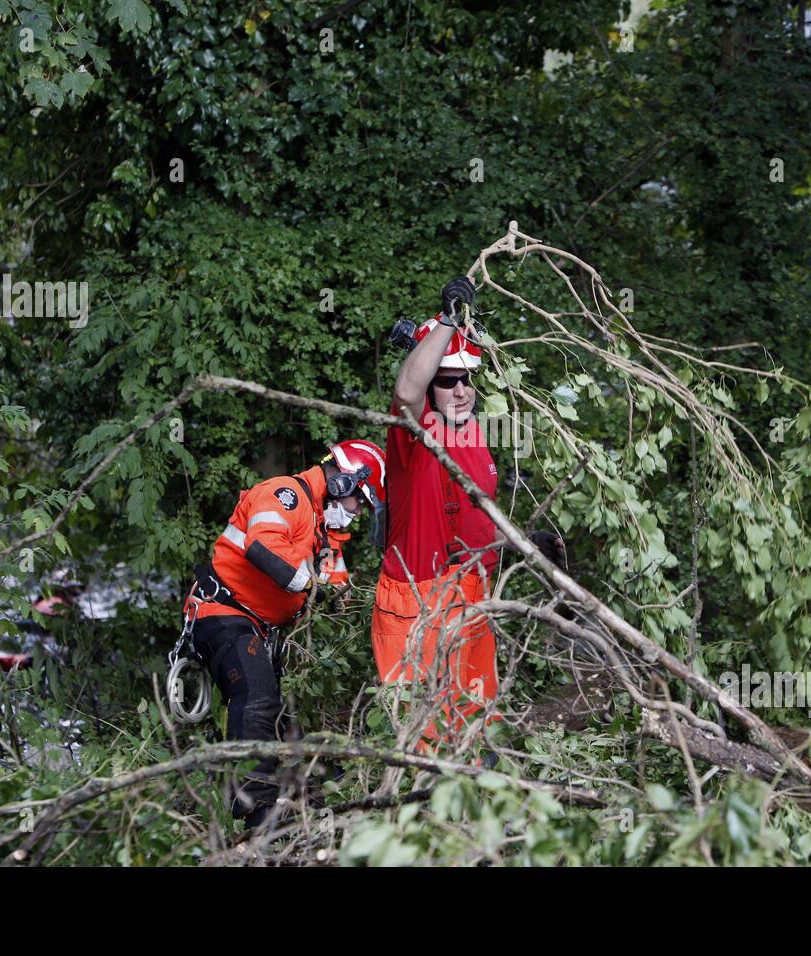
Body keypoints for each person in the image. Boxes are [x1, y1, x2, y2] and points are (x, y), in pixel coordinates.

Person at [372, 276, 563, 752]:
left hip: (469, 599)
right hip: (416, 604)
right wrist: (448, 321)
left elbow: (471, 525)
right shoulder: (414, 431)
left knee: (477, 730)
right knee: (427, 742)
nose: (460, 391)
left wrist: (523, 543)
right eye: (448, 382)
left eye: (467, 380)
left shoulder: (474, 438)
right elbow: (409, 390)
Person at [182, 441, 386, 826]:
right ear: (344, 483)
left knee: (277, 710)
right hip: (223, 611)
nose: (358, 513)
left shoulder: (321, 525)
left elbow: (332, 575)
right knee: (256, 697)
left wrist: (343, 594)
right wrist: (313, 585)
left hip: (254, 623)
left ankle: (308, 787)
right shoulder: (285, 496)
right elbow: (265, 549)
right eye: (360, 502)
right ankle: (254, 805)